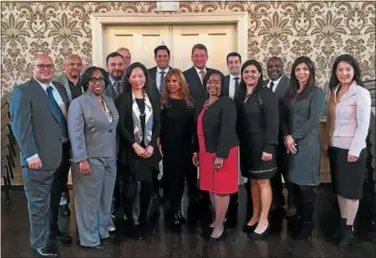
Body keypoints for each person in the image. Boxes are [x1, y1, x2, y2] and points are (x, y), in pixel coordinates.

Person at [10, 54, 67, 257]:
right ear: (31, 68)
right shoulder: (23, 91)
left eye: (49, 65)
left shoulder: (57, 89)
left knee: (51, 202)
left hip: (57, 156)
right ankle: (39, 243)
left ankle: (48, 234)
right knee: (38, 204)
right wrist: (31, 154)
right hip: (37, 159)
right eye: (40, 66)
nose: (45, 69)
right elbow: (20, 126)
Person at [68, 66, 119, 249]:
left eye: (101, 79)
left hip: (110, 157)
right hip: (89, 159)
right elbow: (76, 134)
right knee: (88, 202)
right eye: (93, 79)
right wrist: (81, 159)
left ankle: (102, 230)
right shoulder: (78, 103)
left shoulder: (109, 100)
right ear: (86, 83)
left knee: (106, 199)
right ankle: (89, 239)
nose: (98, 83)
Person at [324, 54, 371, 247]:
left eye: (348, 69)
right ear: (335, 72)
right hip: (336, 147)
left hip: (352, 150)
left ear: (354, 72)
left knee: (351, 192)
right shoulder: (334, 91)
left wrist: (355, 150)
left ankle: (350, 229)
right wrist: (328, 144)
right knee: (340, 190)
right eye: (340, 70)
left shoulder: (360, 93)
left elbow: (363, 124)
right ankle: (343, 224)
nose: (344, 73)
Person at [116, 62, 161, 240]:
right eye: (134, 76)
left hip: (149, 151)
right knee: (130, 190)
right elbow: (121, 126)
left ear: (146, 77)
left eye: (141, 76)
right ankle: (131, 221)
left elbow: (158, 123)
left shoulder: (152, 97)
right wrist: (135, 145)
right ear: (128, 79)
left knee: (148, 187)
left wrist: (151, 146)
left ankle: (143, 218)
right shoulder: (123, 98)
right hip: (130, 151)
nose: (138, 79)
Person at [281, 56, 325, 239]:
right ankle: (298, 217)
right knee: (295, 184)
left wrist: (293, 138)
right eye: (298, 69)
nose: (302, 73)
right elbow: (283, 116)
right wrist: (286, 136)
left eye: (305, 69)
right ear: (293, 72)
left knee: (306, 186)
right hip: (290, 144)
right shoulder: (290, 92)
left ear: (311, 71)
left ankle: (308, 225)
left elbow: (314, 120)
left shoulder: (316, 92)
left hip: (307, 144)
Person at [192, 70, 239, 240]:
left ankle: (219, 224)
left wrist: (220, 155)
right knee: (211, 187)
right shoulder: (204, 102)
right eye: (209, 82)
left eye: (217, 82)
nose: (213, 85)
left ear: (223, 84)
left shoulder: (226, 102)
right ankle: (218, 218)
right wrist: (196, 150)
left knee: (221, 189)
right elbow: (198, 129)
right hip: (205, 150)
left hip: (222, 151)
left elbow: (227, 130)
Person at [237, 60, 279, 237]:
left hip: (263, 146)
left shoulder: (265, 93)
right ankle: (254, 215)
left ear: (260, 74)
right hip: (247, 146)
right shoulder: (241, 94)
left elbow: (273, 122)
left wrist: (269, 147)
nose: (249, 75)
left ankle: (264, 218)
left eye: (253, 72)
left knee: (263, 181)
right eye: (246, 72)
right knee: (252, 181)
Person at [183, 43, 215, 225]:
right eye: (196, 55)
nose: (199, 58)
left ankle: (207, 196)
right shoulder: (185, 75)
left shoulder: (214, 75)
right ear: (192, 57)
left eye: (202, 55)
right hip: (191, 125)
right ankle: (193, 197)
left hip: (210, 128)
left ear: (207, 57)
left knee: (209, 162)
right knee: (192, 163)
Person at [159, 68, 195, 226]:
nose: (171, 84)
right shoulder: (163, 102)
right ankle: (174, 210)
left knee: (184, 180)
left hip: (186, 147)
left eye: (174, 81)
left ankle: (180, 209)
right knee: (173, 180)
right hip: (169, 147)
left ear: (181, 82)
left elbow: (193, 127)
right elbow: (158, 126)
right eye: (168, 81)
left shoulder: (189, 101)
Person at [53, 54, 84, 218]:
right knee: (62, 172)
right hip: (63, 135)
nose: (75, 67)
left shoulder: (85, 83)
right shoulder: (56, 83)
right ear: (65, 66)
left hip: (83, 135)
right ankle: (63, 202)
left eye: (78, 64)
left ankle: (83, 202)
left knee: (83, 170)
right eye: (72, 64)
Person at [264, 57, 293, 219]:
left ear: (283, 67)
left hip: (286, 135)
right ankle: (277, 199)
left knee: (288, 173)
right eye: (270, 66)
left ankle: (293, 203)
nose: (273, 69)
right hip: (271, 138)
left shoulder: (290, 85)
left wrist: (289, 134)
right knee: (273, 171)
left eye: (277, 66)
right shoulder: (265, 86)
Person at [223, 52, 243, 226]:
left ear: (240, 63)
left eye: (236, 62)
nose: (234, 65)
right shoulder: (222, 81)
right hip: (228, 131)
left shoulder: (248, 79)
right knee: (230, 165)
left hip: (245, 130)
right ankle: (232, 198)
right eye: (230, 62)